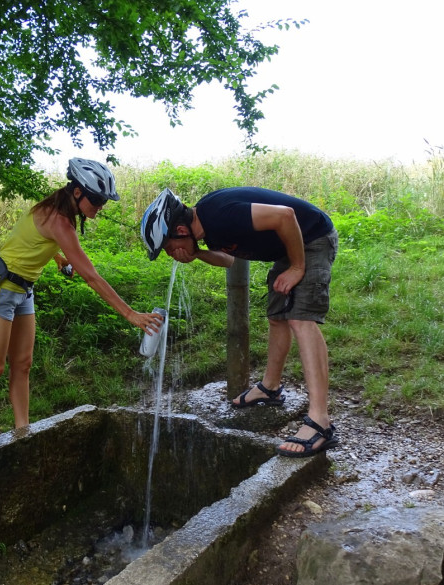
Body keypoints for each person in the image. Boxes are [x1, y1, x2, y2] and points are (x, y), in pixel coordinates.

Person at [0, 158, 163, 446]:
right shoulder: (59, 220)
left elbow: (30, 240)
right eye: (96, 199)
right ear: (78, 193)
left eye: (104, 200)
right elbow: (91, 276)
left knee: (23, 363)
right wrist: (130, 314)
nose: (100, 206)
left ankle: (23, 432)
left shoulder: (58, 211)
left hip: (23, 289)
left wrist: (58, 258)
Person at [140, 186, 339, 457]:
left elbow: (285, 216)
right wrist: (197, 254)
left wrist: (297, 268)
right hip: (288, 246)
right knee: (277, 318)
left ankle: (320, 423)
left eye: (167, 247)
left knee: (300, 319)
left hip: (312, 238)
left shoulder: (220, 215)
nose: (170, 253)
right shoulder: (207, 230)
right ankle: (270, 388)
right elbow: (228, 260)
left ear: (181, 231)